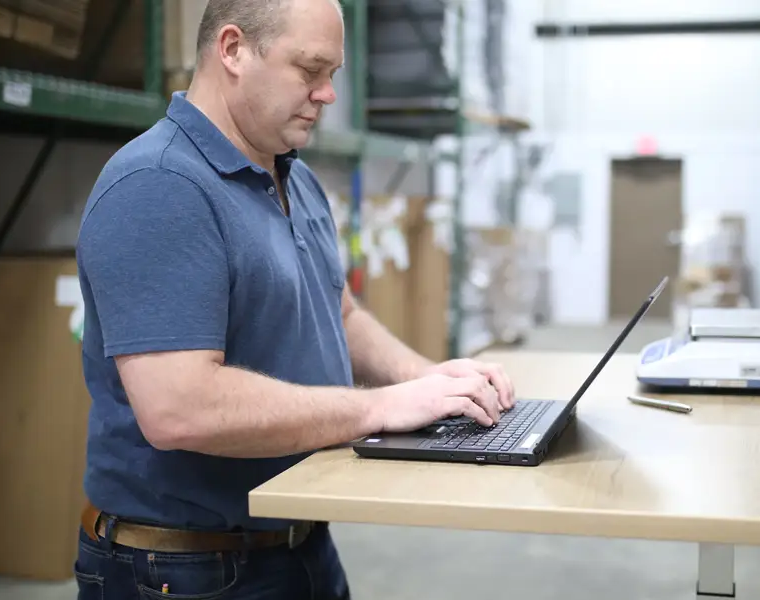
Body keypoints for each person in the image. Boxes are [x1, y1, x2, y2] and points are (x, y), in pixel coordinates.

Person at [72, 0, 516, 598]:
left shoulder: (294, 177)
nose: (327, 94)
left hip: (297, 545)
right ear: (232, 50)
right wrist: (379, 408)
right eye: (309, 70)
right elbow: (181, 408)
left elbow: (337, 313)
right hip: (186, 569)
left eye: (332, 74)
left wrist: (433, 381)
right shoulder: (161, 186)